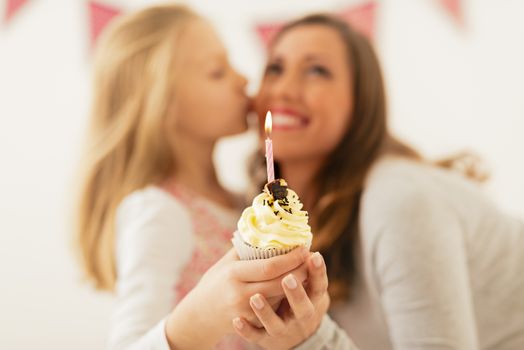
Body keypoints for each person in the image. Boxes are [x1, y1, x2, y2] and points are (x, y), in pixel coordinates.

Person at [236, 13, 524, 350]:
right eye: (275, 68)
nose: (283, 90)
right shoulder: (271, 225)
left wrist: (311, 341)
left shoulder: (400, 200)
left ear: (361, 103)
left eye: (317, 71)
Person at [74, 5, 330, 349]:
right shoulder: (158, 211)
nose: (243, 80)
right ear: (163, 101)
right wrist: (200, 319)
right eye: (217, 72)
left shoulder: (243, 201)